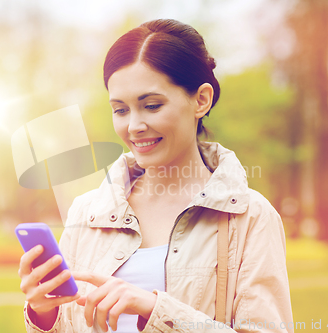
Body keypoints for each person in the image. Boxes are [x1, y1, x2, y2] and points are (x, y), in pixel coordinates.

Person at [18, 18, 294, 333]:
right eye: (120, 110)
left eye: (151, 105)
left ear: (200, 100)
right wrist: (43, 313)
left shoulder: (250, 218)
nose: (133, 126)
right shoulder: (87, 212)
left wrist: (155, 310)